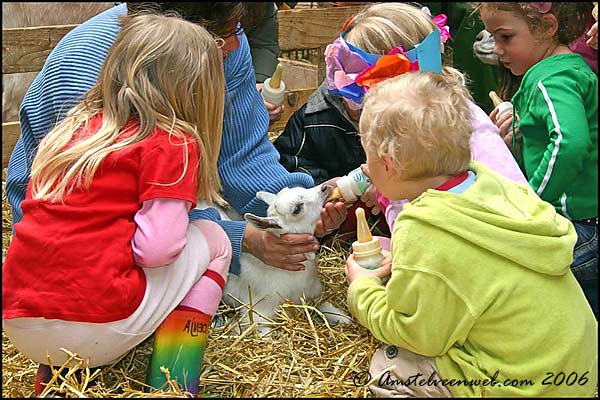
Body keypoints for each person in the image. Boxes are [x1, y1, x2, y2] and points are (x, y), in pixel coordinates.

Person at [5, 3, 346, 280]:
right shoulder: (87, 69)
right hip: (82, 249)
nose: (234, 45)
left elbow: (241, 153)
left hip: (158, 218)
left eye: (235, 30)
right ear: (179, 33)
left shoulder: (224, 41)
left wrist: (294, 216)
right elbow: (107, 218)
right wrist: (240, 238)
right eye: (224, 35)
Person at [3, 14, 231, 397]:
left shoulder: (71, 130)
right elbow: (156, 250)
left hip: (19, 322)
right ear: (197, 90)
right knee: (216, 239)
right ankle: (174, 379)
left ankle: (58, 381)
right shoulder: (172, 142)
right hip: (97, 323)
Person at [345, 71, 598, 398]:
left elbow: (419, 334)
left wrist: (362, 289)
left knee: (390, 369)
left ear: (389, 164)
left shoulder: (425, 228)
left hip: (521, 387)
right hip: (576, 371)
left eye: (366, 156)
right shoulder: (493, 186)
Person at [273, 3, 527, 240]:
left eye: (361, 95)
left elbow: (420, 240)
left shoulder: (445, 137)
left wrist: (390, 193)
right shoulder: (452, 115)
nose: (352, 105)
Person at [480, 2, 598, 317]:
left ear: (547, 27)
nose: (498, 50)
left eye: (506, 37)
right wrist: (519, 135)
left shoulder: (551, 78)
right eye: (493, 38)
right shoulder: (565, 69)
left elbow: (568, 141)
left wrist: (531, 201)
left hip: (575, 226)